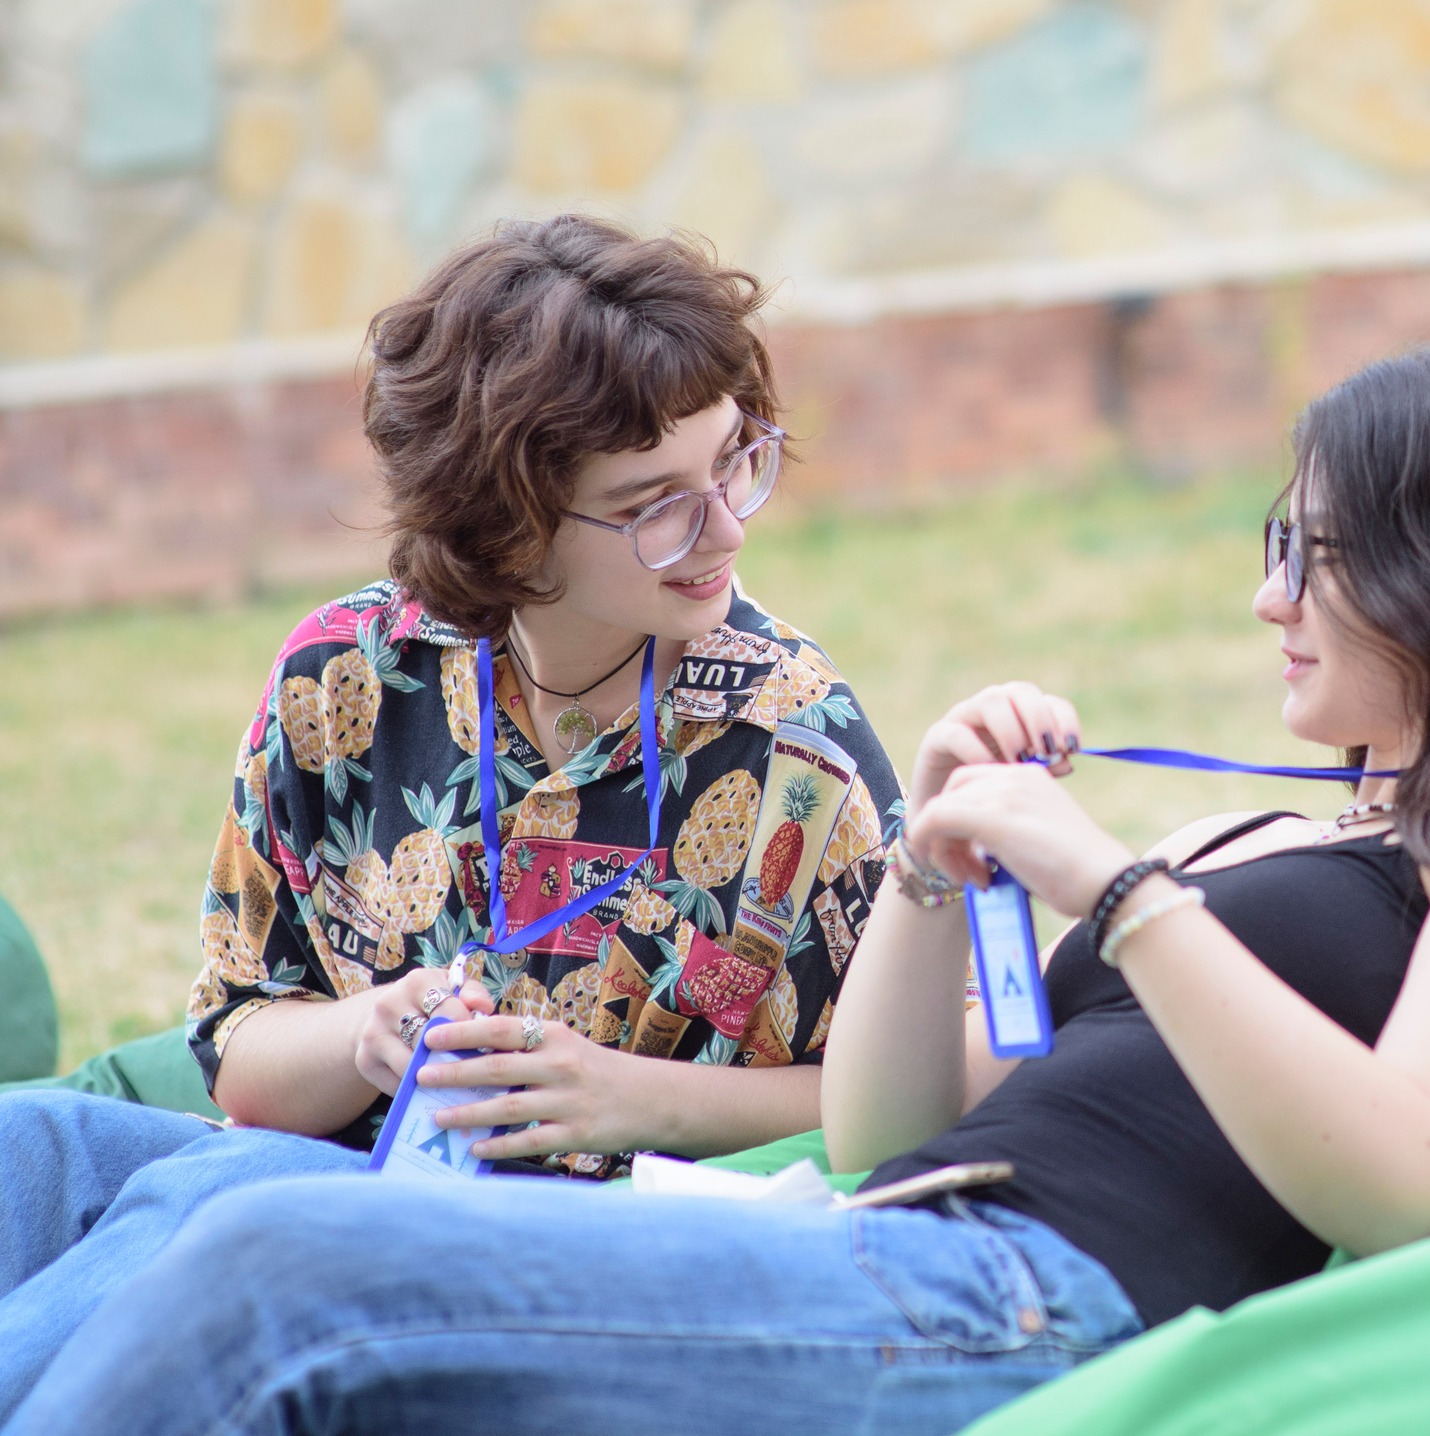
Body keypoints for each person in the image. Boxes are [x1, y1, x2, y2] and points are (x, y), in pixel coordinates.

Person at [1, 347, 1430, 1436]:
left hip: (1008, 1302)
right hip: (876, 1225)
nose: (1267, 597)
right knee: (144, 1172)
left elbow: (1396, 1172)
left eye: (1313, 551)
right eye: (1273, 543)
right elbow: (889, 1122)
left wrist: (1117, 893)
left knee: (276, 1266)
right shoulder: (1295, 829)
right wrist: (932, 858)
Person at [0, 216, 900, 1418]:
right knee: (31, 1150)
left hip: (565, 1265)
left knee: (229, 1207)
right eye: (655, 505)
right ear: (507, 528)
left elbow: (918, 1091)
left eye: (736, 459)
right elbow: (238, 1051)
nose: (727, 530)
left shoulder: (792, 739)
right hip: (326, 1175)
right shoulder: (345, 677)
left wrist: (628, 1096)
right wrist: (367, 1033)